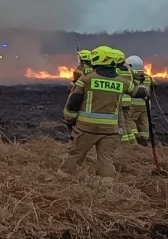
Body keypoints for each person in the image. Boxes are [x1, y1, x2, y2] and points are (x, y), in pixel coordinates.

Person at [60, 47, 145, 182]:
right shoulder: (121, 81)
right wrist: (144, 91)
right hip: (110, 130)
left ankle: (64, 180)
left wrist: (69, 119)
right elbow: (136, 92)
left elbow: (73, 101)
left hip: (86, 128)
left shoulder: (86, 79)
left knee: (75, 155)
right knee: (106, 160)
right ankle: (106, 188)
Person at [123, 55, 153, 146]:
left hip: (133, 104)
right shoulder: (147, 77)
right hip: (145, 105)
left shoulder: (130, 76)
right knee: (144, 122)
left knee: (129, 120)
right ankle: (144, 139)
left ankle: (135, 137)